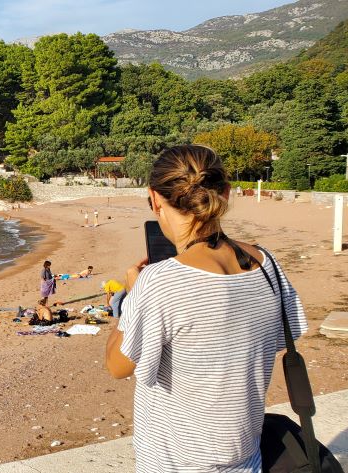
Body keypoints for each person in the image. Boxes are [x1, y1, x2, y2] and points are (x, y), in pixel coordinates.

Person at [104, 145, 307, 472]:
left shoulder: (159, 281)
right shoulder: (266, 263)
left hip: (176, 462)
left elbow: (118, 366)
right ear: (225, 193)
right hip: (244, 455)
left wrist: (132, 295)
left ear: (155, 199)